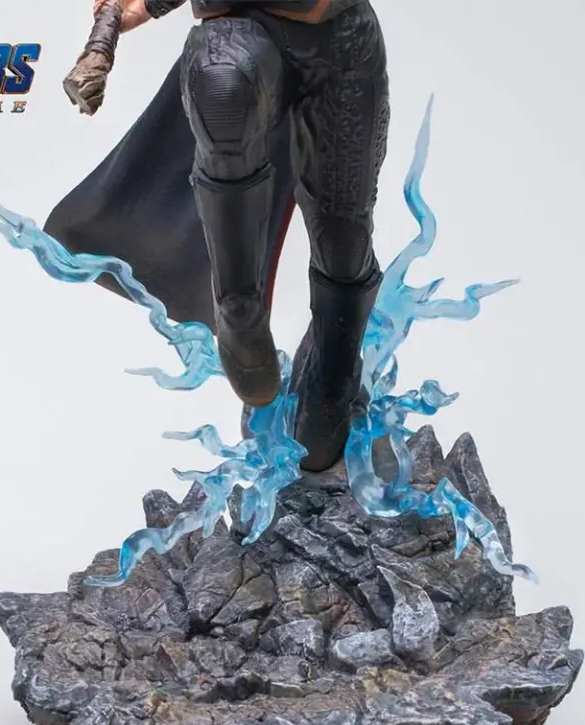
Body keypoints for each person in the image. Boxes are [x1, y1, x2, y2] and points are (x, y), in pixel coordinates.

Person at [48, 0, 389, 471]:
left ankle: (335, 370)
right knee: (223, 83)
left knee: (344, 233)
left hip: (340, 36)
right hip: (240, 34)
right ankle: (237, 305)